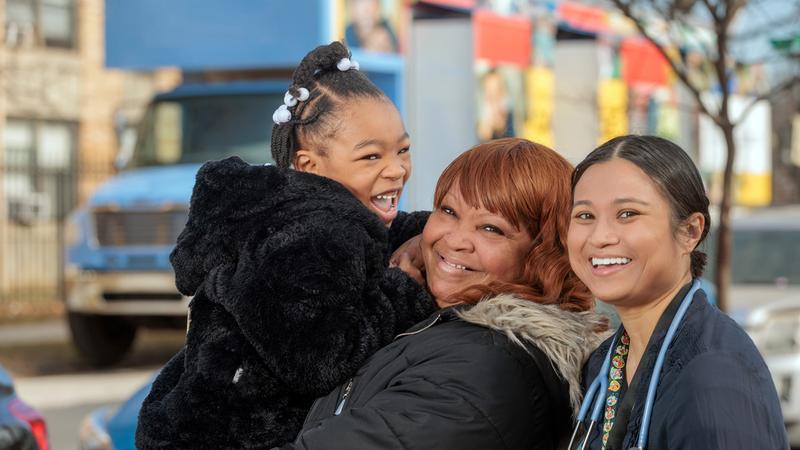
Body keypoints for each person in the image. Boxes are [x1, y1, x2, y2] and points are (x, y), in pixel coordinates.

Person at [135, 41, 437, 449]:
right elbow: (317, 359)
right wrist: (406, 290)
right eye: (371, 157)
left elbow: (377, 239)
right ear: (310, 166)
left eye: (403, 149)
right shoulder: (308, 235)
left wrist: (440, 232)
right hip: (227, 437)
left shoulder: (327, 217)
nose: (397, 168)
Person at [276, 138, 607, 450]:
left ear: (544, 256)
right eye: (448, 211)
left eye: (491, 228)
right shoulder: (437, 321)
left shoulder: (487, 369)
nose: (455, 239)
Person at [567, 135, 787, 450]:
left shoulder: (713, 372)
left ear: (690, 232)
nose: (600, 237)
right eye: (585, 216)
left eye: (628, 213)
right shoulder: (605, 363)